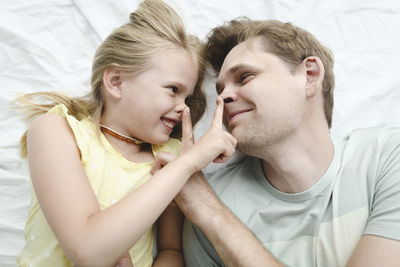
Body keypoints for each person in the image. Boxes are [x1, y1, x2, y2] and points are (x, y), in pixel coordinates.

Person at [15, 0, 237, 266]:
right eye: (173, 90)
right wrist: (190, 162)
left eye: (187, 97)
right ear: (116, 82)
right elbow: (88, 250)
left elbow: (170, 250)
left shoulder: (170, 155)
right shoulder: (56, 130)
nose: (183, 108)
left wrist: (183, 163)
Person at [163, 18, 400, 266]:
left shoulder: (387, 157)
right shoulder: (208, 202)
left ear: (309, 75)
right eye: (220, 89)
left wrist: (213, 215)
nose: (223, 97)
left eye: (244, 77)